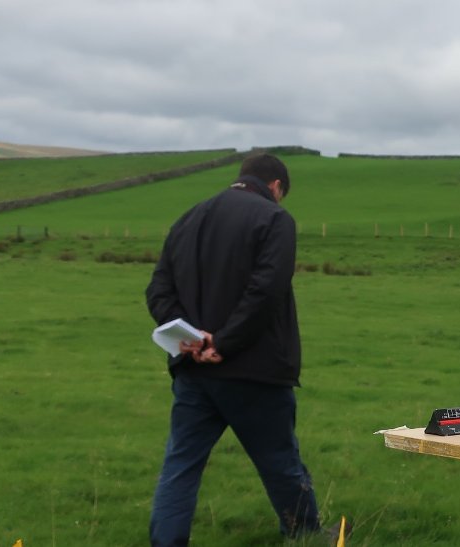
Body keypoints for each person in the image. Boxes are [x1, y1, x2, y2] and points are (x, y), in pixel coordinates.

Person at [145, 154, 320, 546]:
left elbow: (158, 290)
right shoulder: (275, 219)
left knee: (181, 465)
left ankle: (166, 542)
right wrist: (223, 343)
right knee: (279, 461)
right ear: (276, 187)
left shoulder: (188, 218)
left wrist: (190, 339)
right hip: (255, 371)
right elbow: (266, 290)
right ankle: (305, 534)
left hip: (193, 371)